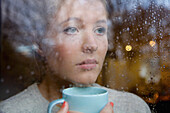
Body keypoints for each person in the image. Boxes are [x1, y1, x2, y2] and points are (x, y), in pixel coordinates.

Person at [0, 0, 151, 113]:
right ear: (40, 43)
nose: (92, 45)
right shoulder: (9, 110)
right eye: (71, 29)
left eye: (100, 30)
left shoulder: (134, 108)